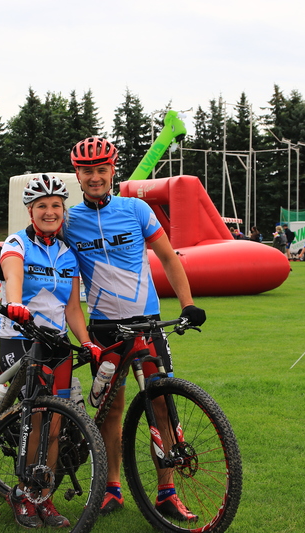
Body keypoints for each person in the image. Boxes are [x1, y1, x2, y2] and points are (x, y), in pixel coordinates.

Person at [64, 136, 207, 521]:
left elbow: (169, 258)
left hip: (147, 324)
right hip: (104, 329)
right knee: (111, 409)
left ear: (113, 170)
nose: (95, 177)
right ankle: (112, 487)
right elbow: (39, 241)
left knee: (161, 404)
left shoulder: (136, 209)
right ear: (78, 175)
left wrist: (188, 304)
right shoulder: (70, 221)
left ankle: (166, 492)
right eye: (87, 171)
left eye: (101, 169)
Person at [0, 174, 102, 529]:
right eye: (41, 205)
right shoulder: (17, 243)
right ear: (30, 211)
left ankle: (42, 495)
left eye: (56, 205)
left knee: (55, 423)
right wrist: (15, 303)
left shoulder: (67, 254)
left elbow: (72, 308)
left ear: (63, 210)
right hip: (21, 338)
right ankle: (22, 493)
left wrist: (86, 342)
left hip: (56, 344)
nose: (49, 211)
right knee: (36, 417)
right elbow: (12, 275)